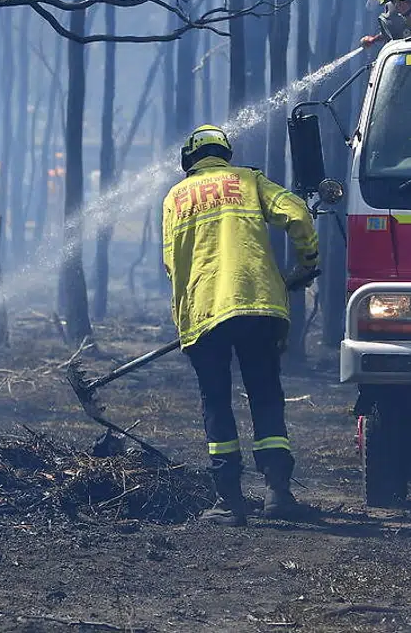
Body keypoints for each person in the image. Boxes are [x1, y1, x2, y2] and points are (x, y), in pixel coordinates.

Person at [162, 124, 320, 527]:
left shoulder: (175, 197)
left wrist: (186, 311)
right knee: (265, 394)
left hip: (204, 312)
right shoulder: (248, 180)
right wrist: (307, 262)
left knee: (216, 402)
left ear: (189, 159)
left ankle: (228, 501)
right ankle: (277, 492)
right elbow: (298, 213)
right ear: (224, 153)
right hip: (259, 305)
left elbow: (171, 263)